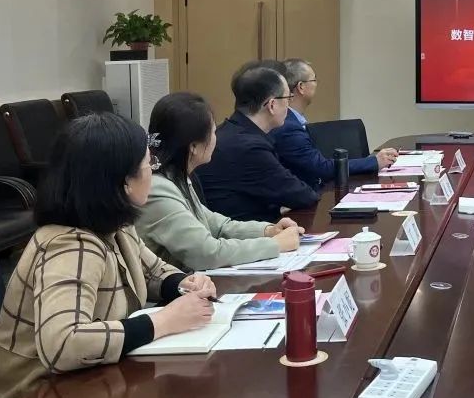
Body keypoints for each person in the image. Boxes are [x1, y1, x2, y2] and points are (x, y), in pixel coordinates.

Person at [0, 113, 217, 398]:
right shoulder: (70, 246)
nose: (153, 172)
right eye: (148, 164)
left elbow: (151, 272)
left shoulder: (116, 225)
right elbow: (63, 343)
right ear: (124, 181)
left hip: (86, 389)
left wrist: (184, 285)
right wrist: (164, 321)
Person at [135, 91, 305, 271]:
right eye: (213, 132)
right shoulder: (158, 189)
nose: (216, 138)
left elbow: (218, 226)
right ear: (193, 147)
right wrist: (275, 245)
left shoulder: (176, 177)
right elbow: (206, 253)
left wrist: (268, 231)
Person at [195, 65, 319, 222]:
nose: (289, 106)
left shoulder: (228, 131)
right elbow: (303, 195)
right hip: (244, 232)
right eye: (287, 99)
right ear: (272, 105)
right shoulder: (249, 148)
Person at [271, 58, 398, 188]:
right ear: (301, 87)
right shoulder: (288, 127)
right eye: (314, 80)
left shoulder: (292, 120)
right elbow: (321, 167)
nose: (316, 84)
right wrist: (374, 162)